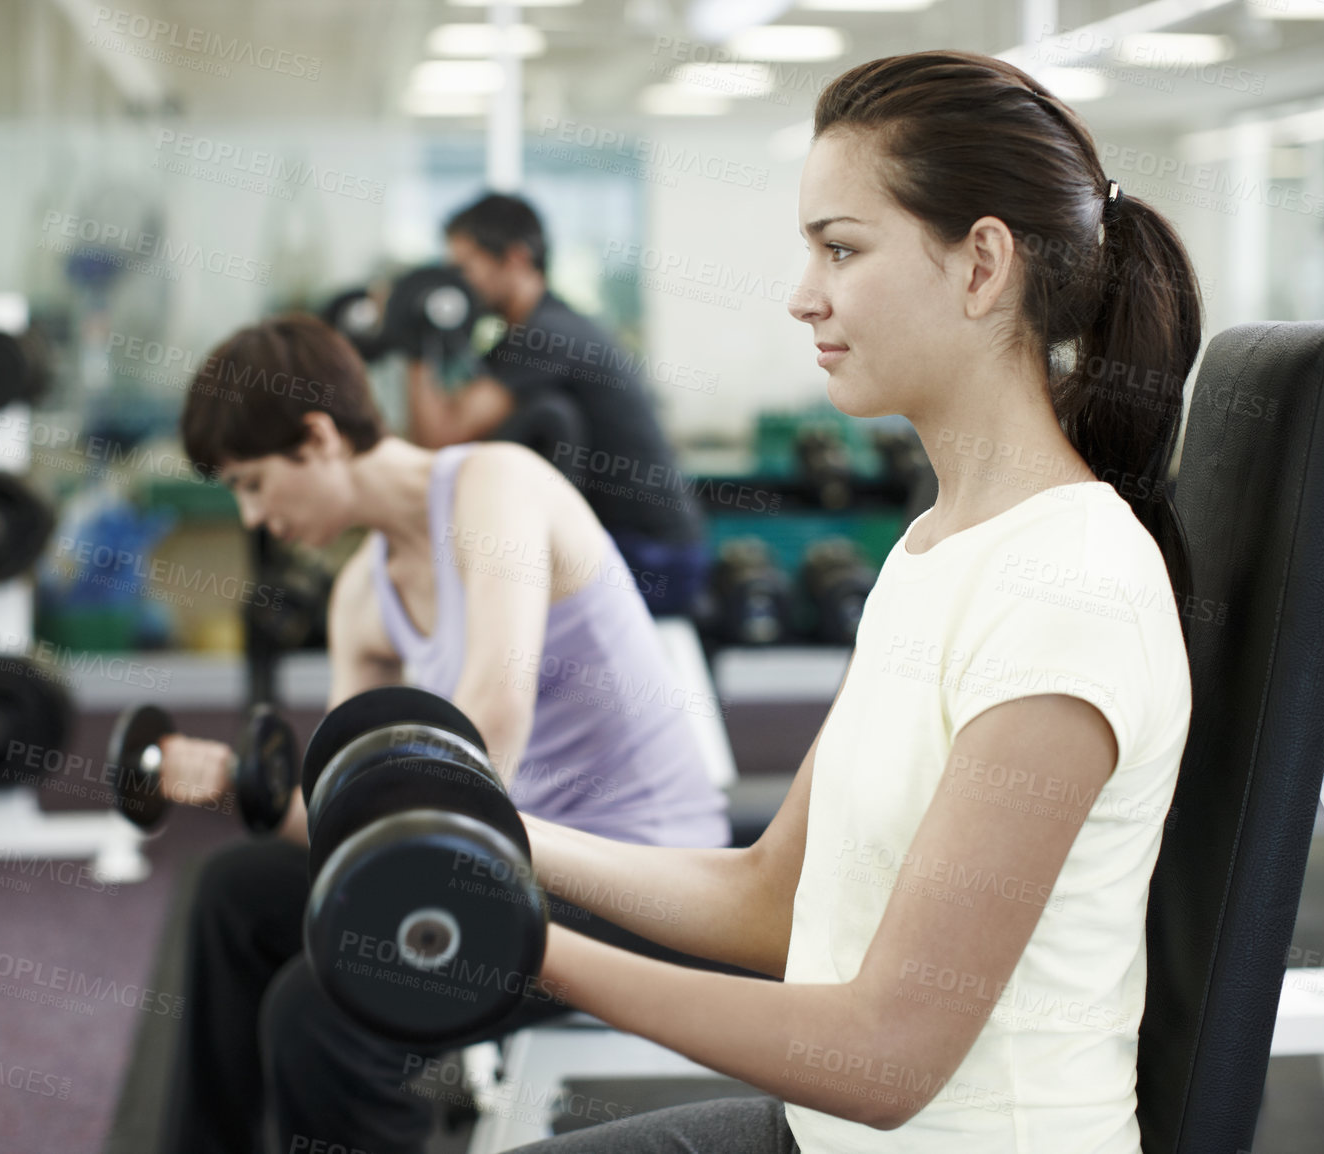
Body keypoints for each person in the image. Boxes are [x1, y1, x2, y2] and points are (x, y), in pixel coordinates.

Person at [486, 50, 1199, 1151]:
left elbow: (884, 1054)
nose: (800, 292)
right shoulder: (932, 547)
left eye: (840, 248)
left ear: (981, 267)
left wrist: (515, 940)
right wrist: (494, 830)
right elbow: (770, 894)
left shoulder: (1075, 586)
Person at [156, 312, 736, 1154]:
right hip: (501, 858)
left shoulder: (496, 485)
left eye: (250, 482)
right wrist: (239, 789)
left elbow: (492, 715)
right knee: (236, 893)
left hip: (636, 872)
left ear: (317, 438)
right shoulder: (363, 595)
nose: (251, 516)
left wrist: (386, 879)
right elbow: (344, 818)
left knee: (321, 1014)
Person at [405, 192, 711, 617]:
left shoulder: (548, 334)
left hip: (652, 558)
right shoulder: (524, 336)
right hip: (633, 549)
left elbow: (440, 438)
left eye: (464, 268)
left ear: (514, 259)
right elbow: (442, 444)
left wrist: (415, 341)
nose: (457, 284)